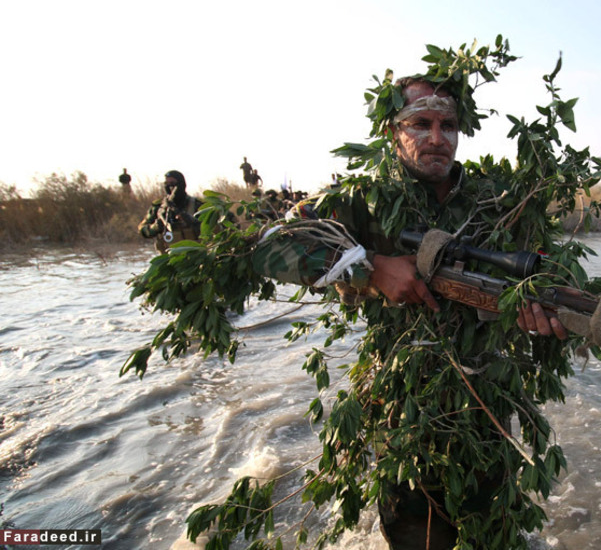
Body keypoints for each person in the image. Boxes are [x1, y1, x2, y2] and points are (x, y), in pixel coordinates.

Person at [251, 76, 567, 549]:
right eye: (421, 123)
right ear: (392, 131)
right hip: (403, 415)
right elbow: (270, 247)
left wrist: (542, 318)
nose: (437, 139)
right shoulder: (362, 199)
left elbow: (544, 277)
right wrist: (371, 268)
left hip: (486, 413)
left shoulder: (496, 201)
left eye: (448, 125)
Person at [137, 170, 204, 253]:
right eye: (167, 183)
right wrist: (155, 227)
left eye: (173, 183)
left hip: (196, 256)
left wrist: (193, 223)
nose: (170, 186)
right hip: (168, 258)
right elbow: (142, 230)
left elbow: (214, 229)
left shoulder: (197, 205)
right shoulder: (158, 207)